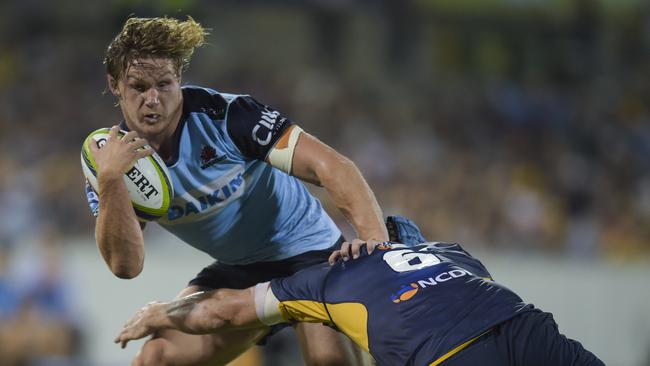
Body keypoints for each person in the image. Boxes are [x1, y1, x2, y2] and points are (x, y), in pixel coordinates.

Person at [85, 16, 388, 366]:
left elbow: (333, 168)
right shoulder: (108, 163)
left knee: (329, 362)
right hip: (239, 270)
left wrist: (379, 248)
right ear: (114, 84)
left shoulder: (229, 116)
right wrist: (109, 182)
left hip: (310, 257)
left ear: (179, 79)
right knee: (157, 358)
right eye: (138, 87)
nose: (153, 100)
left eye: (164, 84)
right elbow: (126, 266)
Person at [115, 218, 605, 366]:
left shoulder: (323, 276)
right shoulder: (452, 251)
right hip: (526, 325)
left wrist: (161, 311)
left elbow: (223, 313)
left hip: (449, 355)